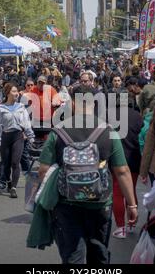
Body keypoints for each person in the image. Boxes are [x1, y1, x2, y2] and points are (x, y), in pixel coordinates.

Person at [38, 85, 138, 264]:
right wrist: (131, 205)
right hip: (99, 203)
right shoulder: (109, 132)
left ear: (73, 104)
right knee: (98, 253)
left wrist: (45, 201)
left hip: (66, 203)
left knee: (72, 256)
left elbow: (43, 170)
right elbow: (122, 171)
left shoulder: (58, 132)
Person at [0, 83, 35, 198]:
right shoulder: (1, 108)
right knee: (6, 164)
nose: (16, 93)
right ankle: (8, 181)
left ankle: (13, 188)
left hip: (18, 136)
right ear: (7, 93)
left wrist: (30, 135)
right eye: (13, 91)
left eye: (17, 91)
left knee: (15, 163)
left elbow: (26, 122)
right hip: (6, 137)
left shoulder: (21, 107)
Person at [111, 93, 143, 239]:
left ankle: (120, 227)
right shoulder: (138, 116)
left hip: (116, 158)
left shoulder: (109, 115)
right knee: (131, 190)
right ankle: (132, 223)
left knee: (117, 192)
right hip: (134, 157)